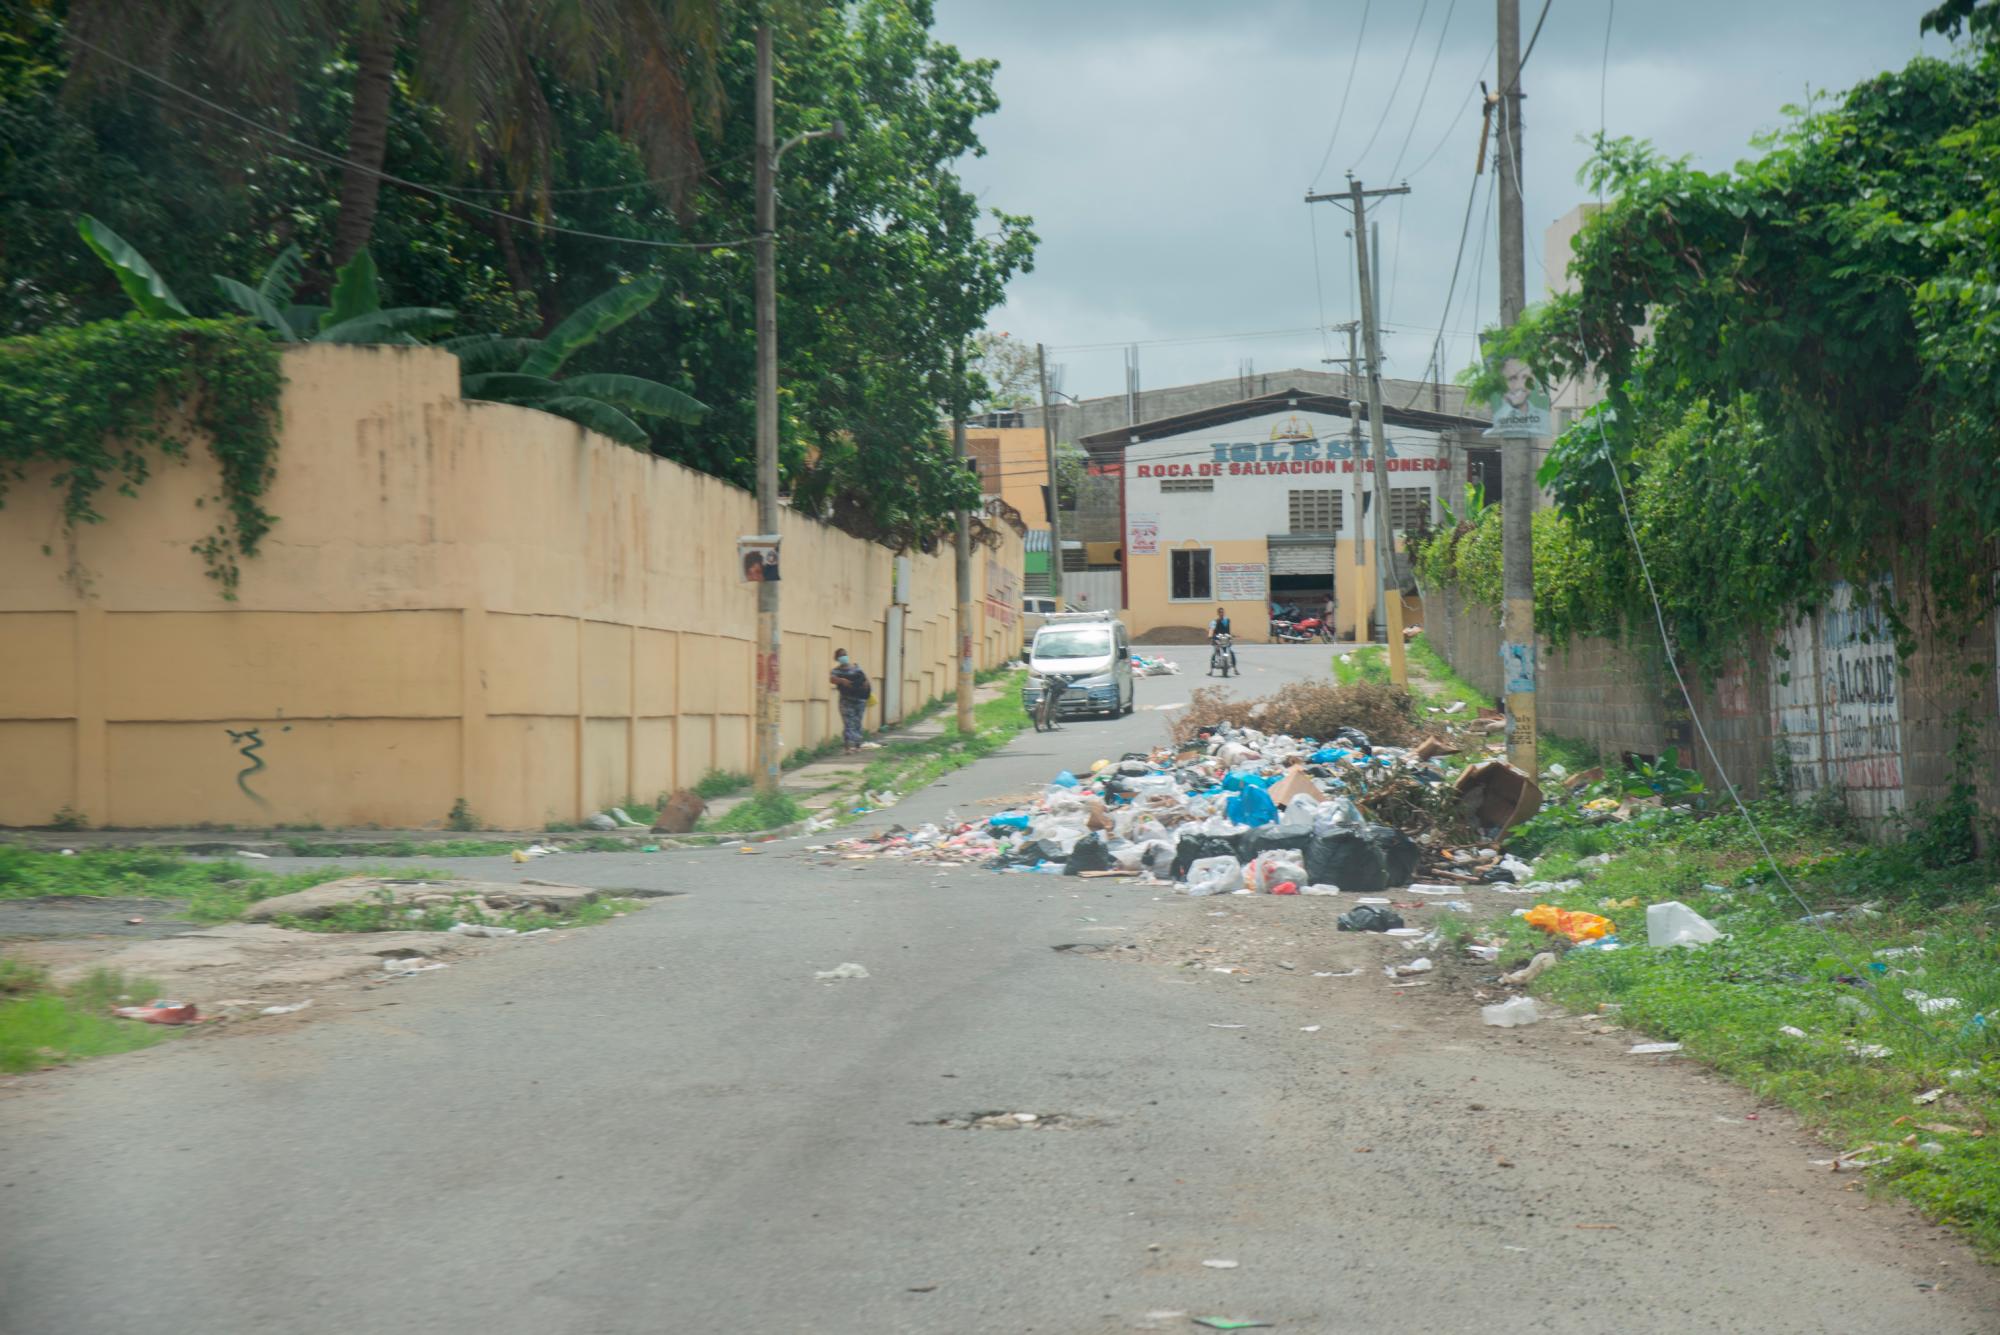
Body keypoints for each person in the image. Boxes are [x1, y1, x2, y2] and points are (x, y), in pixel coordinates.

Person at [829, 648, 872, 753]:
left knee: (857, 722)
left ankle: (857, 746)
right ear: (837, 658)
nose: (843, 657)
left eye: (844, 655)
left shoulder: (856, 668)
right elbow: (832, 679)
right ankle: (847, 747)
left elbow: (864, 679)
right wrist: (841, 680)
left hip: (860, 700)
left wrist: (866, 685)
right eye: (841, 655)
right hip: (846, 701)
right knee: (848, 723)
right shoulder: (836, 670)